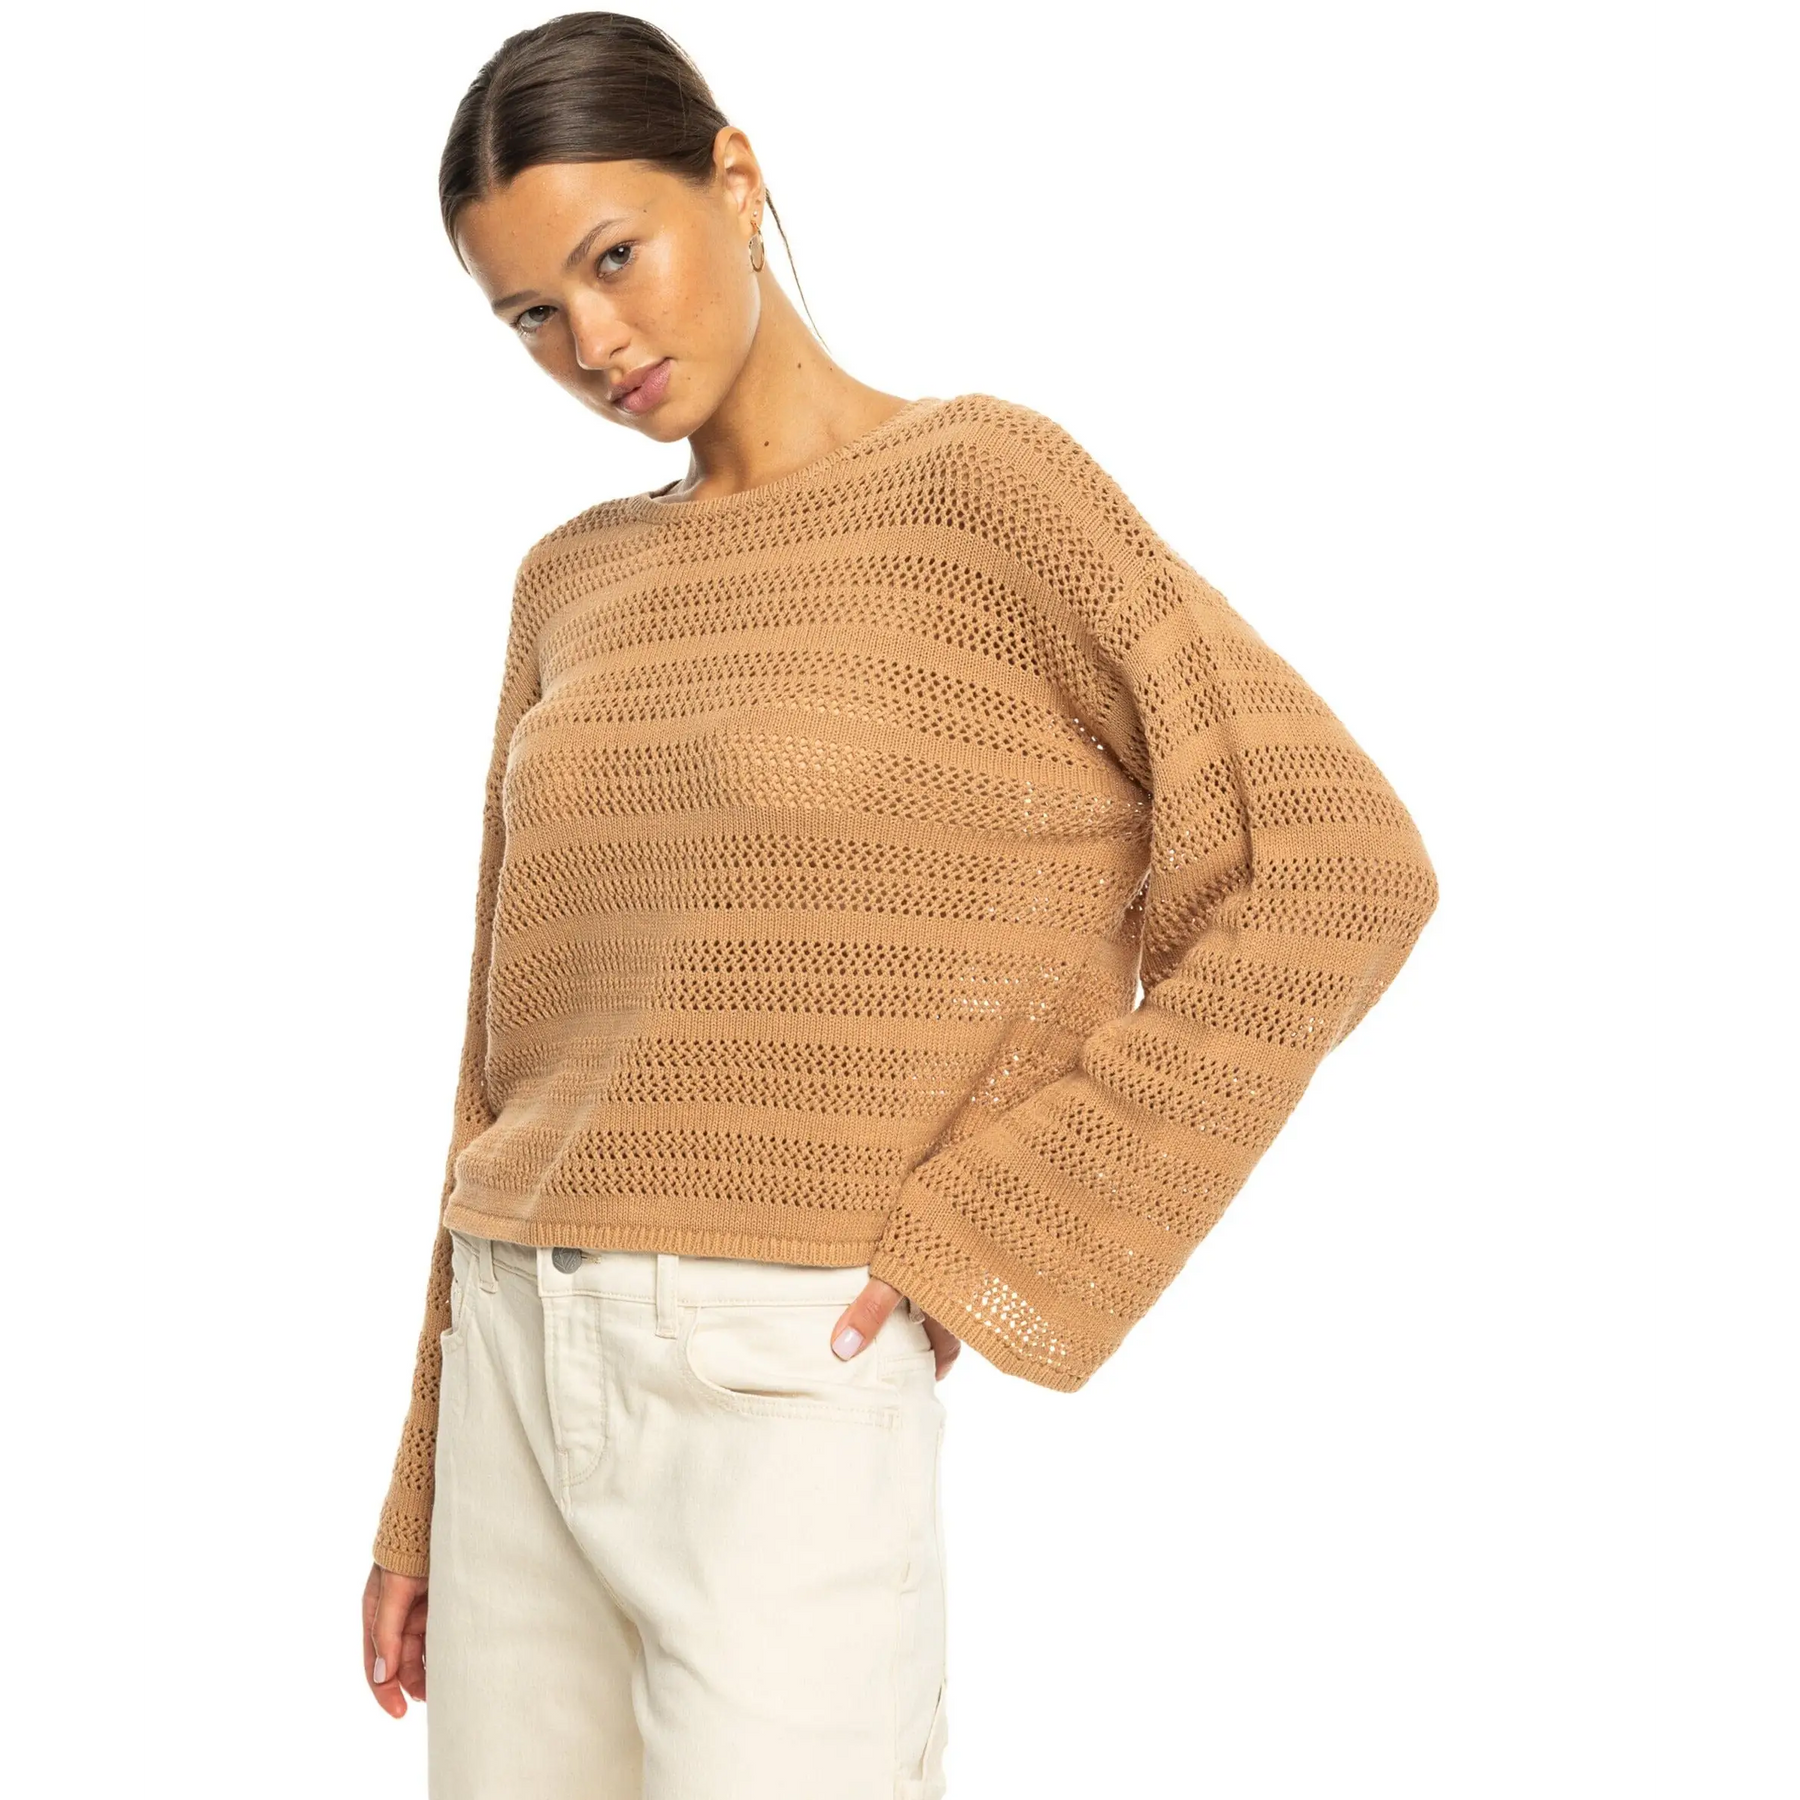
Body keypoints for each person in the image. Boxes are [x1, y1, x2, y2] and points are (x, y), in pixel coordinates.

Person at [362, 14, 1439, 1798]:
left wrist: (1002, 1219)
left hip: (779, 1376)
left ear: (735, 176)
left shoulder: (987, 494)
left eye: (613, 259)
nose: (592, 345)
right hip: (508, 1372)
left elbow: (1336, 869)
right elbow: (501, 1061)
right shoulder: (568, 582)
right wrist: (420, 1479)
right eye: (529, 314)